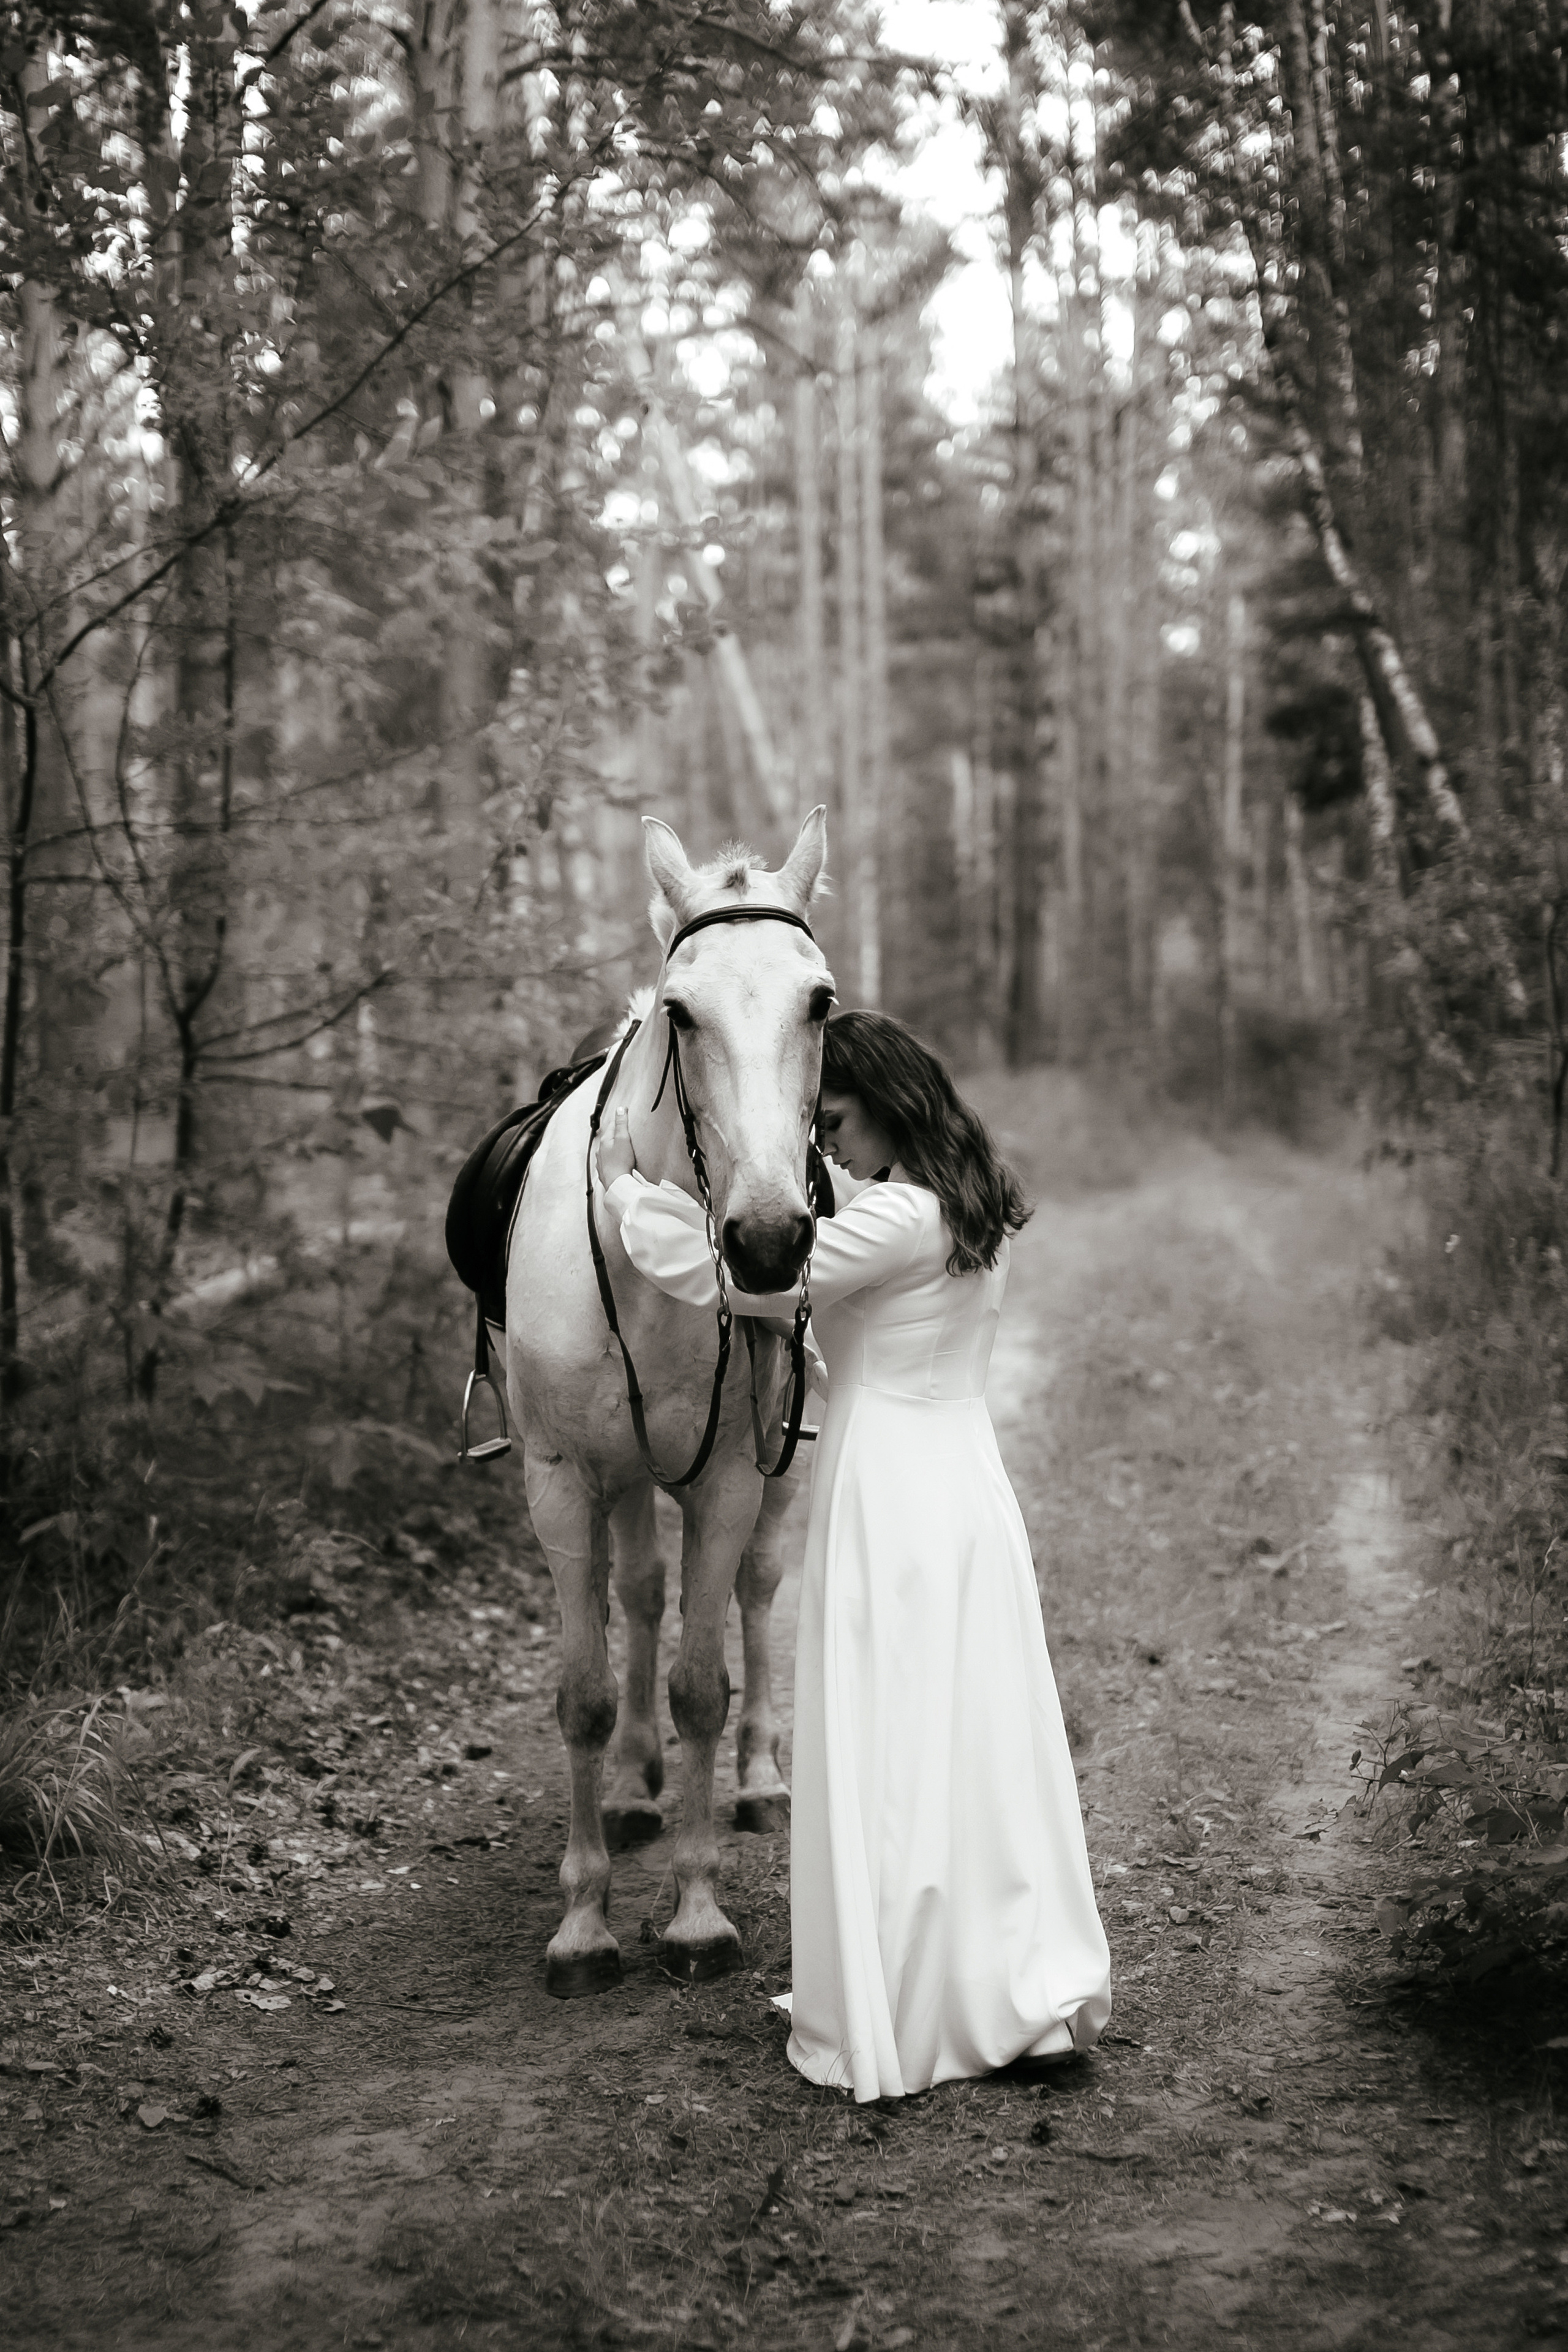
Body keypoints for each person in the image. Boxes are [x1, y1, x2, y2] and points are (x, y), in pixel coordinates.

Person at [596, 1009, 1111, 2103]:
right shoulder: (963, 1206)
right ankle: (1001, 1983)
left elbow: (747, 1279)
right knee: (970, 1741)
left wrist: (629, 1198)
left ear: (887, 1102)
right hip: (962, 1483)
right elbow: (875, 1347)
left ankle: (924, 1998)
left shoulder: (895, 1218)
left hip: (895, 1499)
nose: (823, 1143)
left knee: (897, 1740)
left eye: (832, 1119)